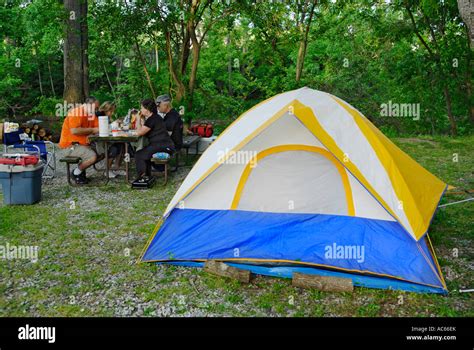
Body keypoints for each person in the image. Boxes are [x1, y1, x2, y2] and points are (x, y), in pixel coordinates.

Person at [59, 96, 104, 184]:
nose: (96, 110)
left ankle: (80, 171)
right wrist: (92, 130)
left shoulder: (91, 114)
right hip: (70, 146)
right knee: (92, 156)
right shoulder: (76, 112)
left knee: (103, 152)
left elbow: (99, 127)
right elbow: (74, 130)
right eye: (96, 107)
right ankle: (76, 173)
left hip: (83, 144)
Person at [134, 99, 175, 180]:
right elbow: (143, 129)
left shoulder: (152, 119)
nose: (141, 110)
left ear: (147, 109)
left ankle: (142, 177)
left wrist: (138, 119)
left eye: (142, 108)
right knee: (144, 152)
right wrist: (141, 120)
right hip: (163, 145)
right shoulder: (154, 117)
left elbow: (139, 132)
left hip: (162, 145)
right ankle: (147, 175)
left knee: (139, 154)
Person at [96, 101, 126, 178]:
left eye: (113, 111)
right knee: (114, 149)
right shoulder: (99, 116)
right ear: (106, 109)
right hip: (99, 142)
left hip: (107, 140)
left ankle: (116, 167)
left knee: (121, 144)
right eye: (111, 111)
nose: (112, 113)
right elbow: (102, 129)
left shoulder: (107, 117)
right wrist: (114, 124)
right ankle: (107, 170)